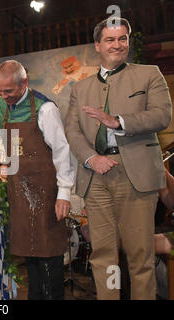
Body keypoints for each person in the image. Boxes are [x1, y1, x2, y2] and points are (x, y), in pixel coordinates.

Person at [65, 17, 172, 299]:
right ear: (97, 45)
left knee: (141, 256)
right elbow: (72, 130)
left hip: (136, 176)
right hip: (95, 176)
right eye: (110, 40)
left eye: (122, 38)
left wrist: (119, 122)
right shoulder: (80, 88)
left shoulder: (149, 74)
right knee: (103, 256)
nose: (118, 44)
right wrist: (90, 158)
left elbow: (163, 115)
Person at [0, 60, 74, 300]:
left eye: (9, 91)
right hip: (19, 189)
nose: (4, 96)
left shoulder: (45, 109)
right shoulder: (2, 103)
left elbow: (62, 151)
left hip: (46, 191)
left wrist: (64, 194)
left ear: (24, 83)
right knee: (30, 253)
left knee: (48, 252)